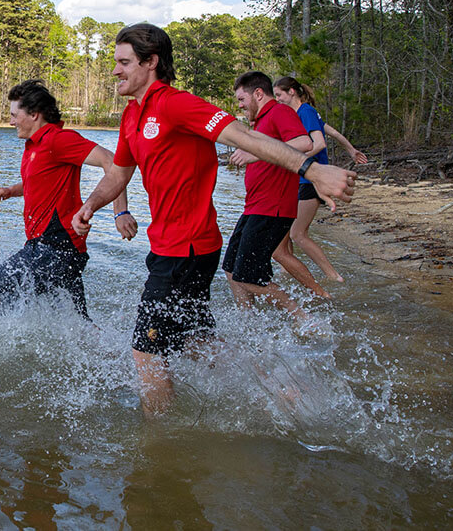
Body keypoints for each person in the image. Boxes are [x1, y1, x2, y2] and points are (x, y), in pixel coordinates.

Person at [70, 23, 356, 415]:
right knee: (195, 340)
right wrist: (91, 206)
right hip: (174, 246)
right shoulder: (132, 116)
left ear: (151, 62)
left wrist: (313, 170)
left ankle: (161, 448)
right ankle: (283, 390)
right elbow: (118, 174)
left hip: (186, 249)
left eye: (123, 62)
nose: (115, 71)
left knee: (145, 350)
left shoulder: (176, 104)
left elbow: (245, 137)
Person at [0, 79, 132, 346]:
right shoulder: (33, 147)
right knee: (79, 328)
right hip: (58, 251)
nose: (10, 121)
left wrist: (120, 213)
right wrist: (10, 190)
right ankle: (126, 361)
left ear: (34, 114)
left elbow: (114, 162)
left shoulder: (58, 140)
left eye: (14, 115)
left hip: (53, 249)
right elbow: (41, 184)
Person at [223, 71, 313, 321]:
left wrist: (256, 154)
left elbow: (304, 143)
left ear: (259, 94)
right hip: (254, 207)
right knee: (231, 269)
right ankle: (248, 323)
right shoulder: (261, 122)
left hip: (272, 208)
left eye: (242, 99)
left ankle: (304, 319)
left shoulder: (279, 112)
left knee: (248, 276)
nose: (240, 105)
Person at [271, 76, 368, 285]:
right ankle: (286, 273)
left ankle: (334, 276)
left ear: (292, 92)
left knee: (298, 233)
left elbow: (320, 143)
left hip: (311, 182)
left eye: (279, 95)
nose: (277, 99)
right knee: (284, 234)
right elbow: (332, 132)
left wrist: (290, 158)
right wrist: (351, 150)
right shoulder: (303, 113)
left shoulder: (305, 111)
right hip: (299, 181)